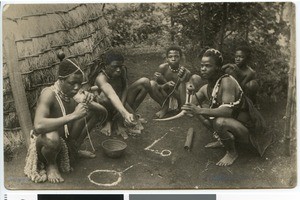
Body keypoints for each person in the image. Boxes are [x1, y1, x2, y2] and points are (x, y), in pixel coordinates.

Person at [182, 48, 272, 166]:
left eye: (208, 66)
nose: (203, 69)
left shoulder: (227, 81)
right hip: (236, 127)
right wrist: (187, 83)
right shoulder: (207, 88)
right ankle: (223, 140)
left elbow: (227, 111)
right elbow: (188, 105)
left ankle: (232, 152)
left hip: (250, 133)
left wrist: (199, 110)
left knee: (219, 121)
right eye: (202, 65)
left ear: (217, 68)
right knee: (201, 111)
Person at [24, 58, 107, 183]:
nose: (76, 87)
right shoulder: (49, 94)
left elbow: (103, 113)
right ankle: (51, 165)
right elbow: (38, 126)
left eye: (79, 83)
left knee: (91, 112)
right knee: (52, 137)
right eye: (72, 83)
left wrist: (90, 100)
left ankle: (74, 149)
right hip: (45, 144)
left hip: (65, 140)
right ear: (61, 80)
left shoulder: (74, 94)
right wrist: (73, 115)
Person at [93, 51, 150, 138]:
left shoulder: (121, 70)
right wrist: (124, 112)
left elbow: (124, 88)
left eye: (120, 66)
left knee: (145, 82)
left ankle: (127, 117)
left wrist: (123, 107)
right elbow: (111, 95)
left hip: (121, 101)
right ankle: (109, 122)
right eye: (114, 67)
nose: (118, 69)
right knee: (103, 97)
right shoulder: (101, 78)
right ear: (105, 66)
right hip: (107, 107)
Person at [149, 46, 191, 118]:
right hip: (165, 96)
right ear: (167, 59)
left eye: (176, 56)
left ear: (180, 57)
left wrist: (181, 80)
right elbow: (155, 87)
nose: (173, 59)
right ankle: (165, 107)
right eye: (170, 57)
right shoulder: (162, 68)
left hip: (179, 98)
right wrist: (165, 84)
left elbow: (185, 92)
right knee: (151, 84)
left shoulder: (185, 72)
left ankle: (182, 108)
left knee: (182, 84)